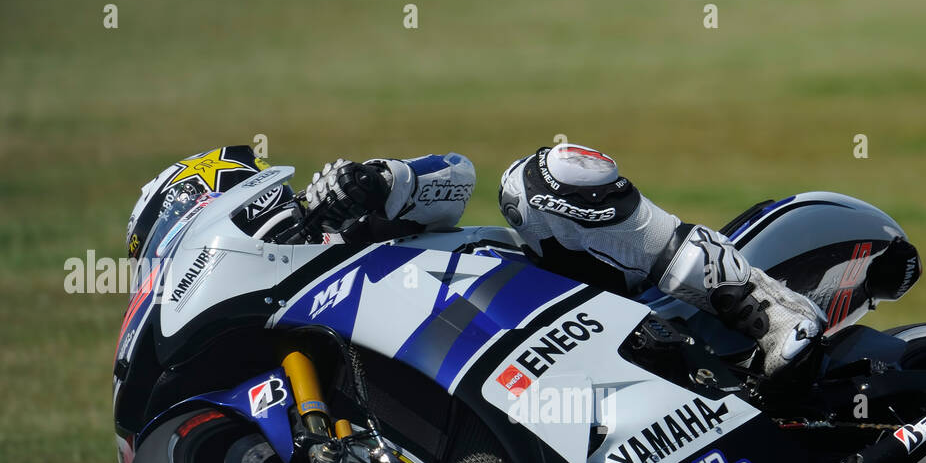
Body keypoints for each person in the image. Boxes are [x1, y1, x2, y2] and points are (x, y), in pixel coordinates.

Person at [126, 143, 827, 376]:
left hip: (556, 298)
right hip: (511, 378)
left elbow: (456, 176)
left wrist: (381, 181)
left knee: (541, 177)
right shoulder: (286, 329)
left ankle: (765, 308)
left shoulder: (340, 220)